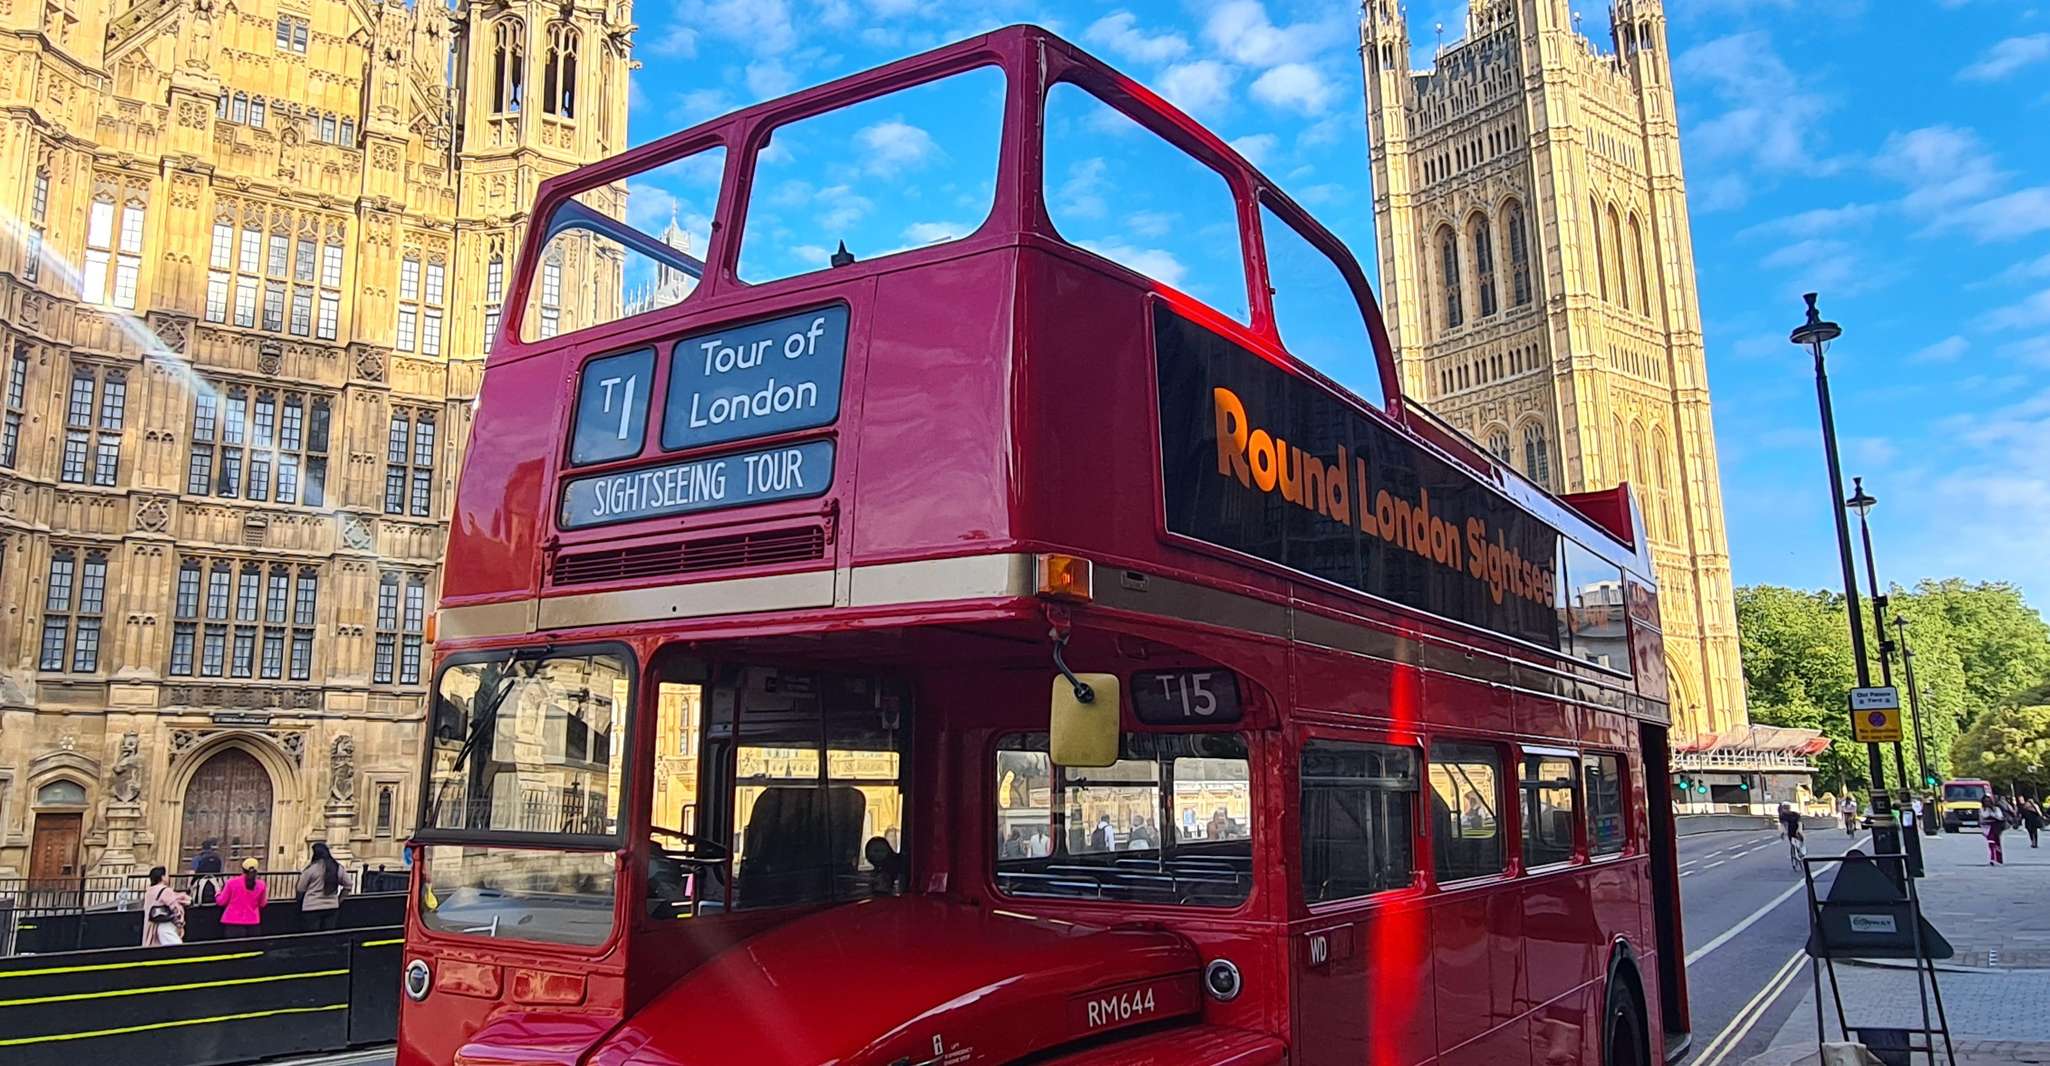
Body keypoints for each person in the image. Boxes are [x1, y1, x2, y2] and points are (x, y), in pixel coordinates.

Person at [296, 842, 353, 931]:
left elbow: (300, 888)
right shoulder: (337, 868)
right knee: (327, 937)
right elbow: (348, 884)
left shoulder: (311, 869)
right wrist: (339, 900)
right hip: (332, 907)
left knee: (312, 938)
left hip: (311, 907)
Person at [216, 857, 268, 938]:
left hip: (233, 922)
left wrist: (217, 894)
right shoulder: (261, 885)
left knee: (234, 949)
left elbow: (221, 901)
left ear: (242, 869)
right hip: (253, 923)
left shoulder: (231, 883)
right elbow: (263, 904)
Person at [142, 866, 189, 947]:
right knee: (178, 950)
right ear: (162, 877)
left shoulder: (149, 891)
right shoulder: (166, 890)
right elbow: (176, 909)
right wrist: (180, 923)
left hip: (152, 927)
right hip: (165, 925)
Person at [191, 839, 224, 905]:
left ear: (202, 847)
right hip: (215, 883)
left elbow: (194, 871)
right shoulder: (217, 857)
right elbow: (221, 871)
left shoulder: (197, 858)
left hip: (200, 883)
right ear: (210, 847)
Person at [1778, 803, 1806, 868]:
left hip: (1796, 829)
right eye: (1785, 809)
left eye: (1787, 808)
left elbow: (1799, 823)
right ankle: (1795, 852)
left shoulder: (1795, 814)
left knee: (1800, 840)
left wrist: (1799, 830)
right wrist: (1783, 832)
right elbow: (1783, 825)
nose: (1786, 810)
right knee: (1792, 843)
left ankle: (1800, 851)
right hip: (1790, 831)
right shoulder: (1783, 816)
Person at [1981, 797, 2007, 866]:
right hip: (1987, 828)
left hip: (1996, 827)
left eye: (1988, 801)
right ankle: (1992, 858)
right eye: (1985, 801)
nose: (1987, 803)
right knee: (1991, 844)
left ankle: (1998, 859)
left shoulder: (1996, 809)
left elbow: (2000, 817)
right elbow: (1982, 818)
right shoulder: (1982, 810)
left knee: (1997, 843)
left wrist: (1993, 815)